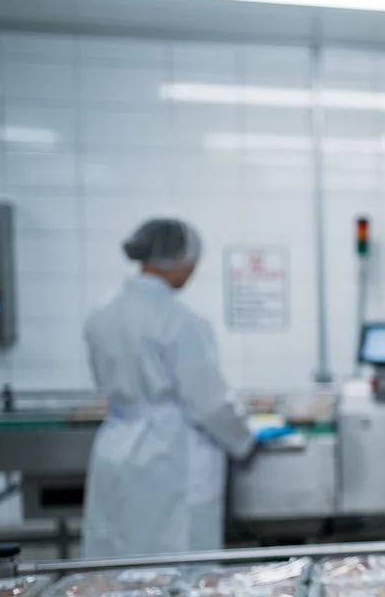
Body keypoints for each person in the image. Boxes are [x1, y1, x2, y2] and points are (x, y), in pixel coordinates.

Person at [81, 218, 277, 557]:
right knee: (176, 555)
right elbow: (209, 402)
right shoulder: (179, 320)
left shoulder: (102, 315)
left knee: (118, 550)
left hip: (116, 445)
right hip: (170, 452)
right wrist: (243, 441)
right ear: (181, 257)